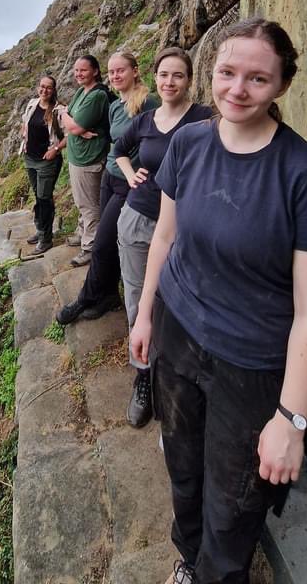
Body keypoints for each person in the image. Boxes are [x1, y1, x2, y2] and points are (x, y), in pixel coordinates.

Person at [131, 17, 307, 584]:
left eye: (257, 80)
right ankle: (188, 562)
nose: (237, 90)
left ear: (282, 85)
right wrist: (144, 313)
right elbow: (165, 237)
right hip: (177, 336)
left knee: (235, 502)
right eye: (227, 73)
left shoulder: (304, 173)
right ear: (210, 73)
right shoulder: (187, 142)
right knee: (183, 468)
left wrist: (291, 419)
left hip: (252, 367)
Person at [114, 47, 212, 428]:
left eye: (178, 76)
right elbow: (120, 149)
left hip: (185, 226)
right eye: (164, 75)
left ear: (190, 80)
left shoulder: (204, 119)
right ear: (154, 78)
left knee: (179, 300)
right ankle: (143, 378)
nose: (169, 82)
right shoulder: (146, 119)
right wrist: (128, 172)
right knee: (138, 298)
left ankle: (175, 374)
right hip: (138, 220)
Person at [57, 50, 156, 325]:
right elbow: (114, 140)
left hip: (129, 182)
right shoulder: (114, 106)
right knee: (108, 239)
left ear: (135, 71)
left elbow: (164, 134)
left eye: (120, 70)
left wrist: (151, 167)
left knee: (100, 243)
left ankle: (85, 298)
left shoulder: (148, 103)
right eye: (112, 72)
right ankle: (109, 294)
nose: (115, 76)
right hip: (109, 177)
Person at [62, 55, 112, 266]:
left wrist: (74, 127)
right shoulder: (82, 92)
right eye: (76, 70)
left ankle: (90, 248)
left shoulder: (97, 95)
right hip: (78, 157)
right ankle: (82, 233)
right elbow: (66, 116)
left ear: (95, 71)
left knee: (90, 205)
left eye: (83, 70)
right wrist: (73, 125)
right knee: (82, 202)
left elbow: (72, 125)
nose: (78, 74)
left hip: (89, 159)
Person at [20, 74, 65, 253]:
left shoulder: (58, 110)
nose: (44, 90)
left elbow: (69, 135)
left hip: (47, 162)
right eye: (42, 86)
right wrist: (25, 138)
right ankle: (41, 231)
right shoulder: (32, 103)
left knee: (44, 199)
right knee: (38, 197)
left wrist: (55, 150)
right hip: (30, 159)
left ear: (53, 90)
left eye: (48, 87)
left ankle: (46, 239)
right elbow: (25, 123)